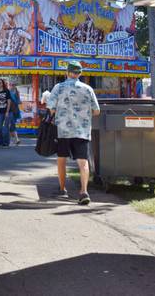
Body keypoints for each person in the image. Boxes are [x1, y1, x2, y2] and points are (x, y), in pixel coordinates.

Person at [46, 61, 100, 205]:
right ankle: (83, 191)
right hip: (82, 131)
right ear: (80, 74)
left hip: (63, 130)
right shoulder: (88, 89)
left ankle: (62, 189)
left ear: (67, 72)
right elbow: (96, 111)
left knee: (61, 160)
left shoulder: (59, 87)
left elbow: (51, 108)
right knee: (83, 162)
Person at [0, 79, 12, 147]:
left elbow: (9, 102)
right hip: (0, 112)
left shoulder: (6, 91)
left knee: (6, 128)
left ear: (3, 84)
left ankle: (6, 142)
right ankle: (0, 141)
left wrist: (7, 111)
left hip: (8, 111)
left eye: (0, 83)